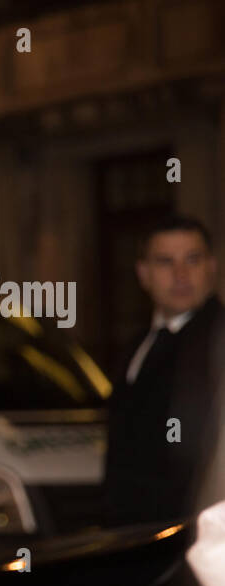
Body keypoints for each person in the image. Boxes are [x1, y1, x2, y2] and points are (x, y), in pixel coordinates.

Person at [104, 215, 223, 527]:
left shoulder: (219, 341)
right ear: (143, 274)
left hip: (194, 534)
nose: (181, 274)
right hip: (131, 537)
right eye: (165, 262)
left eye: (192, 260)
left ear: (212, 266)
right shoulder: (137, 345)